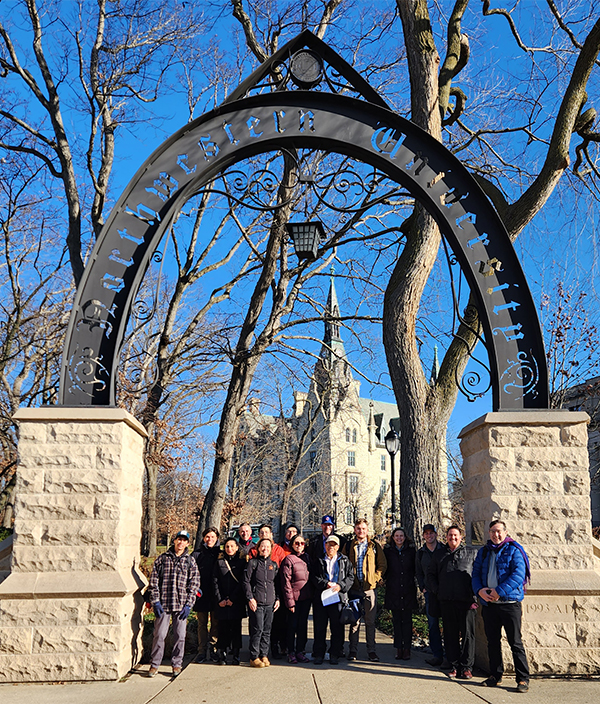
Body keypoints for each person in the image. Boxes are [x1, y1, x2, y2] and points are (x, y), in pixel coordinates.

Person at [472, 519, 531, 693]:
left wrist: (499, 591)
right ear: (488, 533)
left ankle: (522, 679)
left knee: (515, 643)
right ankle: (495, 675)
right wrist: (480, 591)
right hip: (489, 605)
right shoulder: (484, 551)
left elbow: (518, 574)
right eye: (492, 531)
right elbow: (475, 574)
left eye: (499, 531)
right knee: (492, 642)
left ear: (505, 532)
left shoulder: (514, 550)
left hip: (509, 604)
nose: (495, 535)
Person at [147, 530, 200, 677]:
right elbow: (153, 582)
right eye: (179, 539)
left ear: (188, 543)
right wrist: (155, 601)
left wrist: (189, 604)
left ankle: (177, 664)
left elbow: (194, 584)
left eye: (184, 540)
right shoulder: (162, 559)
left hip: (181, 605)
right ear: (174, 541)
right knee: (159, 635)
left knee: (180, 636)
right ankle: (154, 664)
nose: (181, 542)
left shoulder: (190, 561)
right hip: (164, 604)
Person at [428, 525, 478, 680]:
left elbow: (478, 574)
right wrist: (438, 590)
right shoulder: (439, 555)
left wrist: (475, 593)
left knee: (468, 635)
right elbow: (430, 575)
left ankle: (467, 667)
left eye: (455, 535)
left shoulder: (471, 553)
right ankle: (454, 665)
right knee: (450, 635)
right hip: (447, 601)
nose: (453, 538)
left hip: (467, 601)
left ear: (460, 537)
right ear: (446, 537)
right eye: (450, 535)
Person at [343, 518, 387, 662]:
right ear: (355, 530)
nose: (361, 531)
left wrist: (375, 578)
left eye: (363, 528)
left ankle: (371, 651)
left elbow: (382, 564)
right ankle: (353, 651)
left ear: (367, 530)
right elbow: (342, 562)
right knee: (354, 621)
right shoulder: (349, 545)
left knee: (370, 621)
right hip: (354, 588)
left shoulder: (374, 546)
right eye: (358, 528)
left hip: (369, 589)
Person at [311, 535, 354, 665]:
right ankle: (319, 653)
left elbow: (350, 577)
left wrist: (341, 585)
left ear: (338, 547)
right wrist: (325, 584)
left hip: (337, 598)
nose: (331, 547)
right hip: (322, 598)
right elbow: (313, 577)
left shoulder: (345, 561)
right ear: (325, 545)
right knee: (319, 627)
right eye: (329, 544)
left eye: (334, 545)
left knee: (336, 628)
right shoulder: (318, 560)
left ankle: (334, 653)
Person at [244, 537, 281, 668]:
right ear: (258, 548)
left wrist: (277, 599)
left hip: (270, 602)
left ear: (271, 549)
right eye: (262, 546)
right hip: (257, 602)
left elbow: (276, 584)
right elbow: (246, 581)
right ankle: (254, 656)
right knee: (257, 629)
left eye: (268, 547)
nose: (265, 549)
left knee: (267, 630)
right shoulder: (253, 563)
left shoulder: (274, 565)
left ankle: (264, 654)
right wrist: (250, 598)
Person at [383, 526, 417, 660]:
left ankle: (407, 648)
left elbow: (415, 569)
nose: (399, 538)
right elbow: (385, 569)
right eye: (396, 536)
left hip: (408, 589)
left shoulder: (411, 551)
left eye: (401, 536)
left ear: (405, 537)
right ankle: (398, 648)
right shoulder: (388, 551)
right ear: (393, 538)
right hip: (394, 590)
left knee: (407, 621)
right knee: (397, 621)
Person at [415, 523, 446, 667]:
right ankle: (437, 654)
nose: (429, 535)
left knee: (448, 624)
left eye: (431, 533)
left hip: (445, 593)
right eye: (426, 533)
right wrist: (422, 587)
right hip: (430, 593)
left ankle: (450, 655)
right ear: (423, 536)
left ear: (436, 534)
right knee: (432, 624)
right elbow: (418, 572)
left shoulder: (444, 550)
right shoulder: (421, 552)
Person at [212, 537, 247, 665]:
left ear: (237, 547)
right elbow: (215, 581)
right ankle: (222, 653)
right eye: (227, 546)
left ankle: (236, 654)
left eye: (232, 546)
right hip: (222, 601)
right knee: (223, 628)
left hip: (236, 601)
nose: (229, 549)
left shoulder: (242, 562)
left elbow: (243, 582)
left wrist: (232, 598)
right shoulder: (219, 562)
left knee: (236, 628)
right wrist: (220, 599)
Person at [280, 533, 312, 663]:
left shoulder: (307, 558)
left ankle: (300, 651)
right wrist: (290, 602)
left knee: (302, 626)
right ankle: (291, 652)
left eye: (302, 543)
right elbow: (285, 583)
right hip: (294, 599)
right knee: (292, 626)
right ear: (292, 545)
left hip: (306, 598)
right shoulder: (289, 560)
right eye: (297, 543)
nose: (299, 545)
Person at [192, 526, 220, 662]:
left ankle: (213, 649)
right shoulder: (197, 554)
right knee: (202, 624)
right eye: (207, 537)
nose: (210, 539)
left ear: (217, 538)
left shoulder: (220, 553)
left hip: (216, 594)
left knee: (215, 624)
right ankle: (202, 650)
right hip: (200, 594)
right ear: (203, 538)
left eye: (213, 537)